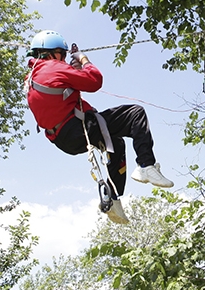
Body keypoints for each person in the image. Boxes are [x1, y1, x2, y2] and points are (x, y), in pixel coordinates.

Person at [25, 30, 173, 224]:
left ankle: (113, 200)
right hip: (78, 129)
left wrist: (75, 70)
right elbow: (95, 81)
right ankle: (146, 165)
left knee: (116, 144)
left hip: (62, 139)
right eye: (62, 53)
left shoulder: (33, 76)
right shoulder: (54, 68)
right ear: (54, 53)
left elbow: (60, 89)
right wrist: (84, 60)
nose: (63, 58)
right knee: (135, 113)